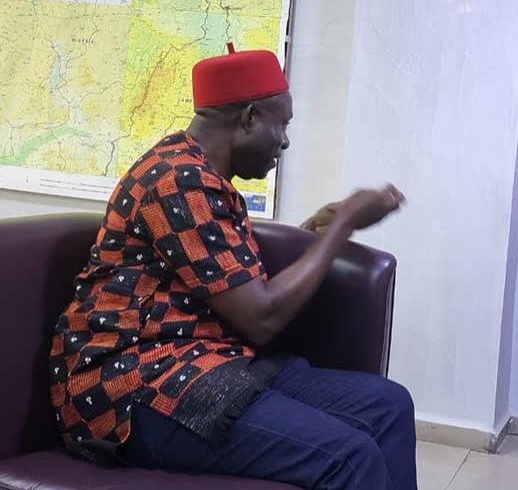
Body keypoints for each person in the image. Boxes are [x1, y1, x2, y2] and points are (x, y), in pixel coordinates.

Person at [49, 44, 417, 490]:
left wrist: (315, 231)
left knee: (389, 405)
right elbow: (262, 317)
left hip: (209, 364)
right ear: (248, 118)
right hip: (135, 385)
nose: (285, 141)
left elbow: (226, 275)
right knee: (349, 457)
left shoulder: (199, 176)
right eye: (282, 124)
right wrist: (344, 225)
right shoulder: (177, 179)